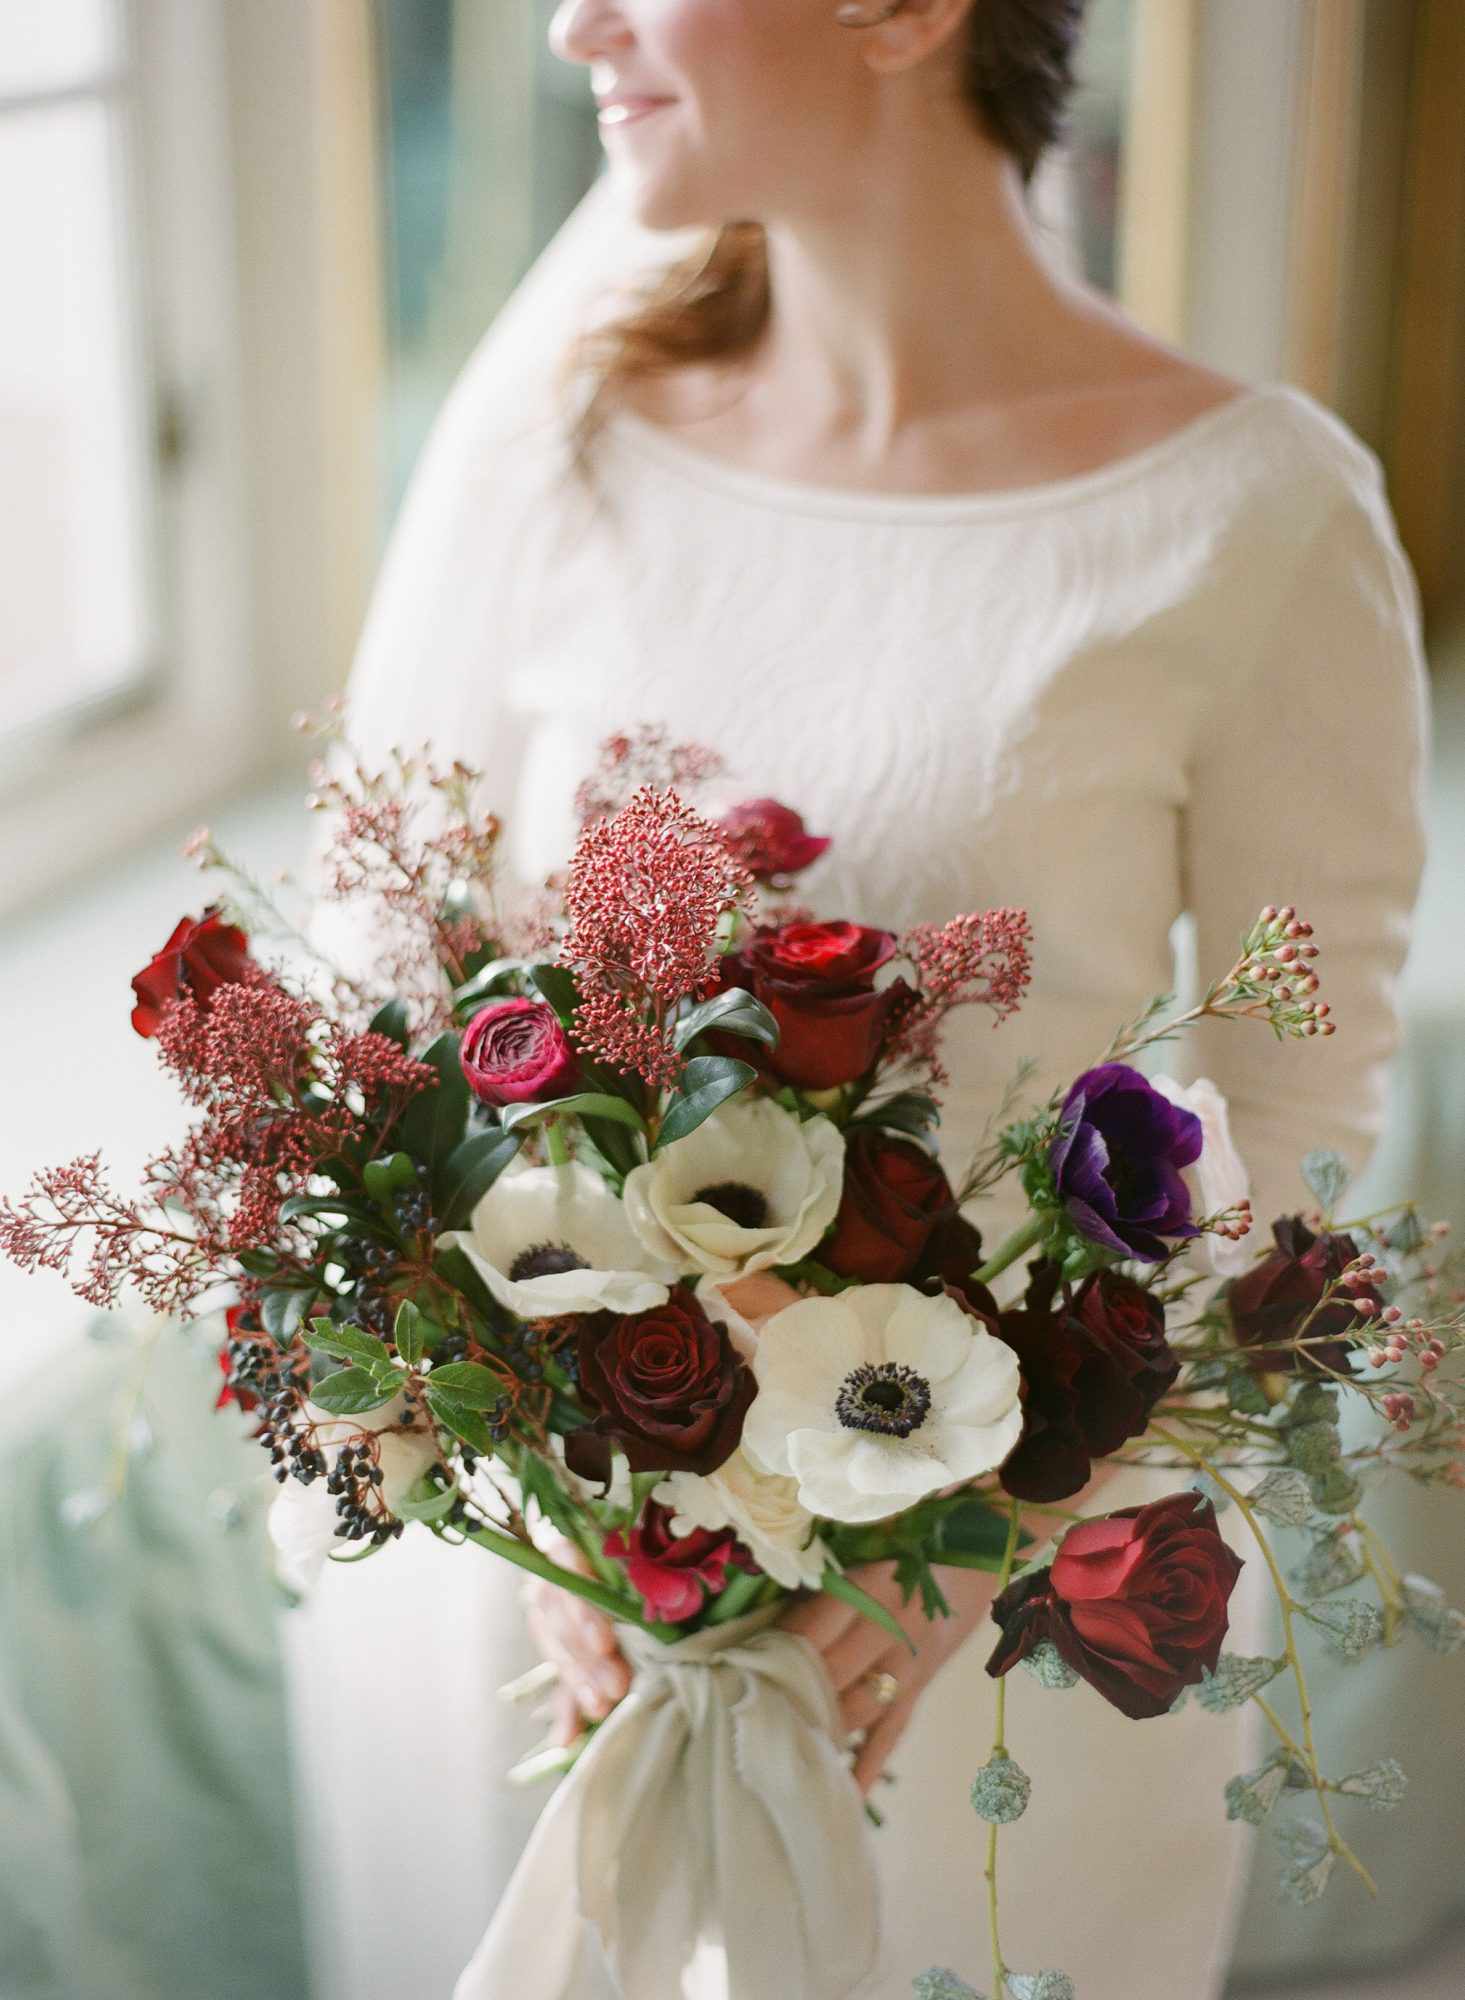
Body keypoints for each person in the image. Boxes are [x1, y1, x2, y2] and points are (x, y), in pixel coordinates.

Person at [337, 3, 1430, 1993]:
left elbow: (1295, 1113)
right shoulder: (561, 443)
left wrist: (970, 1552)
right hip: (583, 1619)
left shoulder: (1250, 517)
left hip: (1006, 1653)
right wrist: (547, 1499)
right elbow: (408, 1004)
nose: (571, 20)